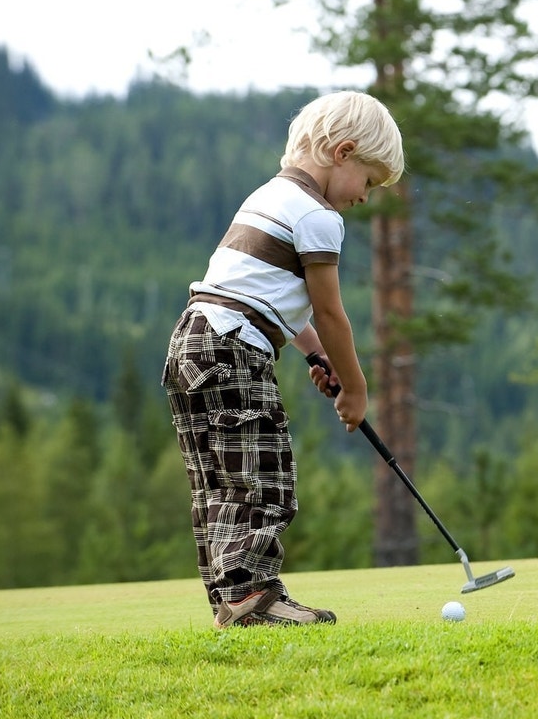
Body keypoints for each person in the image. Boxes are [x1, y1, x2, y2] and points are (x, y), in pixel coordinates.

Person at [161, 91, 404, 627]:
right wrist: (357, 389)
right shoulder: (319, 217)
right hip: (234, 351)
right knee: (261, 474)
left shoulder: (266, 197)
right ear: (343, 152)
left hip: (193, 341)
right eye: (368, 182)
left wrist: (317, 355)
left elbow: (269, 300)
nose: (364, 199)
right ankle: (254, 598)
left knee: (218, 483)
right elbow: (331, 311)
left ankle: (235, 601)